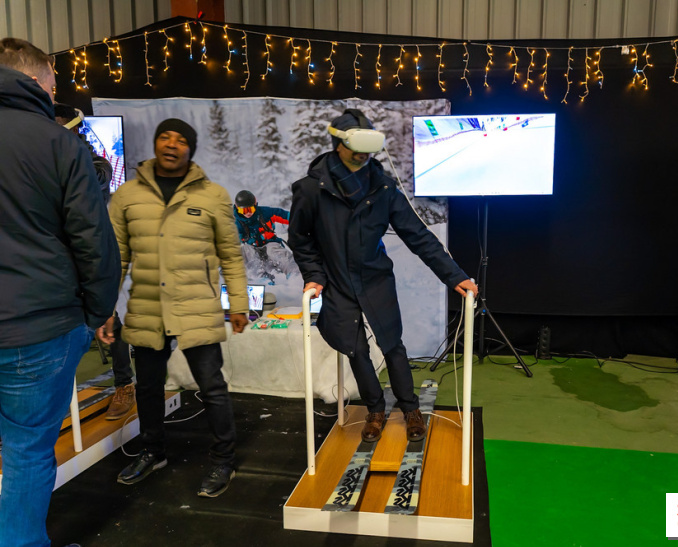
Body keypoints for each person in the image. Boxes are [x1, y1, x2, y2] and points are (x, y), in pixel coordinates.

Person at [288, 109, 478, 443]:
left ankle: (410, 408)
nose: (363, 155)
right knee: (356, 349)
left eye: (368, 147)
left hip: (375, 279)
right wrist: (315, 275)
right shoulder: (311, 189)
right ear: (338, 143)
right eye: (356, 147)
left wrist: (455, 276)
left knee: (392, 346)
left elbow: (417, 235)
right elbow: (300, 240)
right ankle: (375, 410)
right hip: (336, 282)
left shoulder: (383, 186)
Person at [0, 37, 120, 547]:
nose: (56, 88)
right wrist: (97, 312)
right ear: (39, 77)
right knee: (27, 449)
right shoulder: (56, 142)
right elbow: (94, 241)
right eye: (53, 79)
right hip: (36, 325)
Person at [97, 118, 249, 498]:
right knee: (148, 386)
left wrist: (240, 304)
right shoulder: (127, 196)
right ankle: (153, 452)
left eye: (181, 140)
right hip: (148, 306)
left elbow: (231, 254)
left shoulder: (212, 196)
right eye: (165, 136)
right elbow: (116, 257)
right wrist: (103, 308)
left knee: (212, 386)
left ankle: (224, 459)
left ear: (190, 150)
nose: (171, 144)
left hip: (196, 304)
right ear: (155, 143)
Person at [54, 102, 136, 420]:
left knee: (108, 317)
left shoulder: (95, 165)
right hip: (58, 261)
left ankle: (123, 385)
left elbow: (84, 198)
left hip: (92, 255)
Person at [233, 190, 293, 282]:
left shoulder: (265, 213)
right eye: (243, 210)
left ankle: (294, 273)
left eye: (250, 209)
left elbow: (286, 216)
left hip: (269, 244)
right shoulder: (235, 222)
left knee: (274, 251)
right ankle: (259, 278)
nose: (248, 213)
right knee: (245, 251)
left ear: (255, 204)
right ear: (237, 208)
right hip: (252, 248)